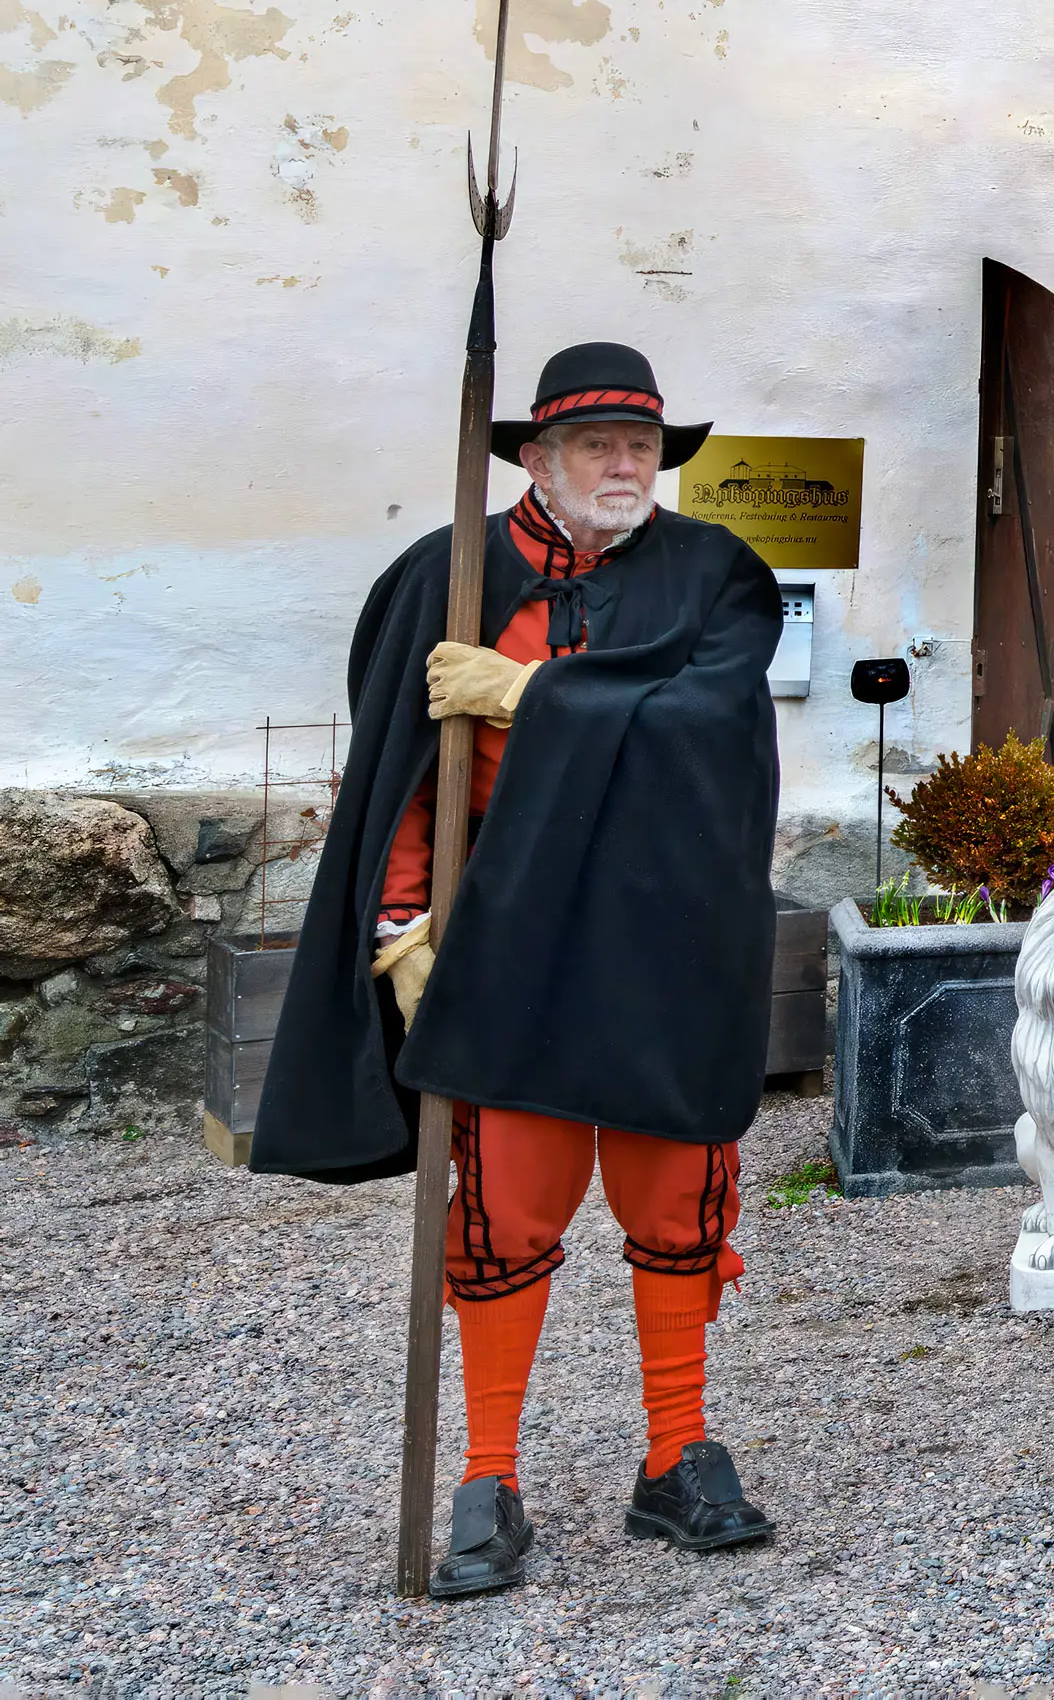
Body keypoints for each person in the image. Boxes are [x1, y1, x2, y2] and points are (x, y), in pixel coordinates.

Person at [252, 343, 784, 1600]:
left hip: (669, 945)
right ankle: (489, 1474)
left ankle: (676, 1454)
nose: (624, 464)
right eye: (595, 443)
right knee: (503, 1215)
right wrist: (398, 930)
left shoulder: (717, 575)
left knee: (675, 1205)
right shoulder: (451, 576)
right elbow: (393, 767)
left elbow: (714, 731)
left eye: (642, 445)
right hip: (507, 942)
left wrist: (533, 695)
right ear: (535, 458)